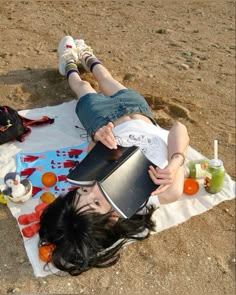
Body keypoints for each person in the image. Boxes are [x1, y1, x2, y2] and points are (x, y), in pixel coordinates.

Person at [39, 36, 189, 275]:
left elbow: (91, 150)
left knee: (90, 85)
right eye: (96, 202)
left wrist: (98, 136)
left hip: (101, 119)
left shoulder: (86, 176)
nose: (93, 189)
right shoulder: (162, 190)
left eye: (83, 192)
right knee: (98, 84)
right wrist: (175, 162)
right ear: (111, 220)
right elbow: (179, 128)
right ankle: (72, 62)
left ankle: (79, 60)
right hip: (141, 112)